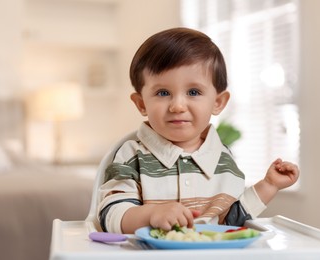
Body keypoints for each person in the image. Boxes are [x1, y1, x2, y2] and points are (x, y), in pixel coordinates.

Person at [97, 27, 300, 234]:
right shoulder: (131, 155)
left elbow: (231, 221)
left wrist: (269, 185)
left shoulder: (223, 158)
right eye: (163, 92)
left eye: (193, 92)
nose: (177, 106)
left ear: (218, 102)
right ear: (141, 104)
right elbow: (110, 216)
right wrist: (151, 214)